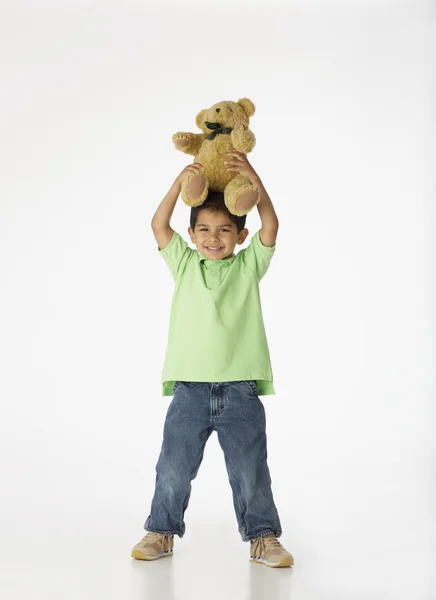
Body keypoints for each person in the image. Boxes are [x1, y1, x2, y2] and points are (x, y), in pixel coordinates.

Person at [131, 150, 294, 568]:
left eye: (224, 230)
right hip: (190, 388)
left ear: (240, 236)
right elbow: (157, 225)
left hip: (240, 389)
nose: (213, 237)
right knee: (172, 467)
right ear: (192, 233)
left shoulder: (248, 266)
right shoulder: (185, 265)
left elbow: (271, 225)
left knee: (250, 470)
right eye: (203, 229)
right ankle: (160, 532)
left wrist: (253, 178)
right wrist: (178, 181)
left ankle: (264, 538)